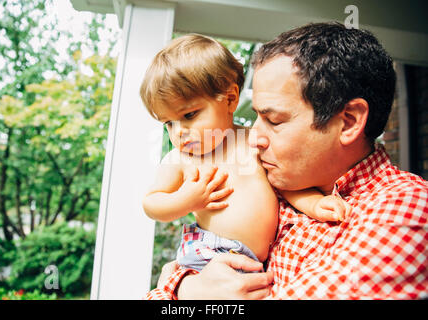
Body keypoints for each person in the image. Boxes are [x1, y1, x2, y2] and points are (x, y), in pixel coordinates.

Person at [145, 23, 428, 300]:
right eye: (256, 116)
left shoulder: (405, 208)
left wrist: (175, 289)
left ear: (349, 122)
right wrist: (182, 284)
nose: (254, 137)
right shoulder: (281, 178)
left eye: (274, 119)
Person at [139, 34, 349, 274]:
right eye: (169, 123)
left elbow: (285, 186)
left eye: (189, 116)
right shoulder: (181, 159)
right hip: (208, 255)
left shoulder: (253, 142)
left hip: (260, 264)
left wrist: (316, 204)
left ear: (230, 99)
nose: (179, 132)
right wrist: (186, 200)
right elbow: (151, 203)